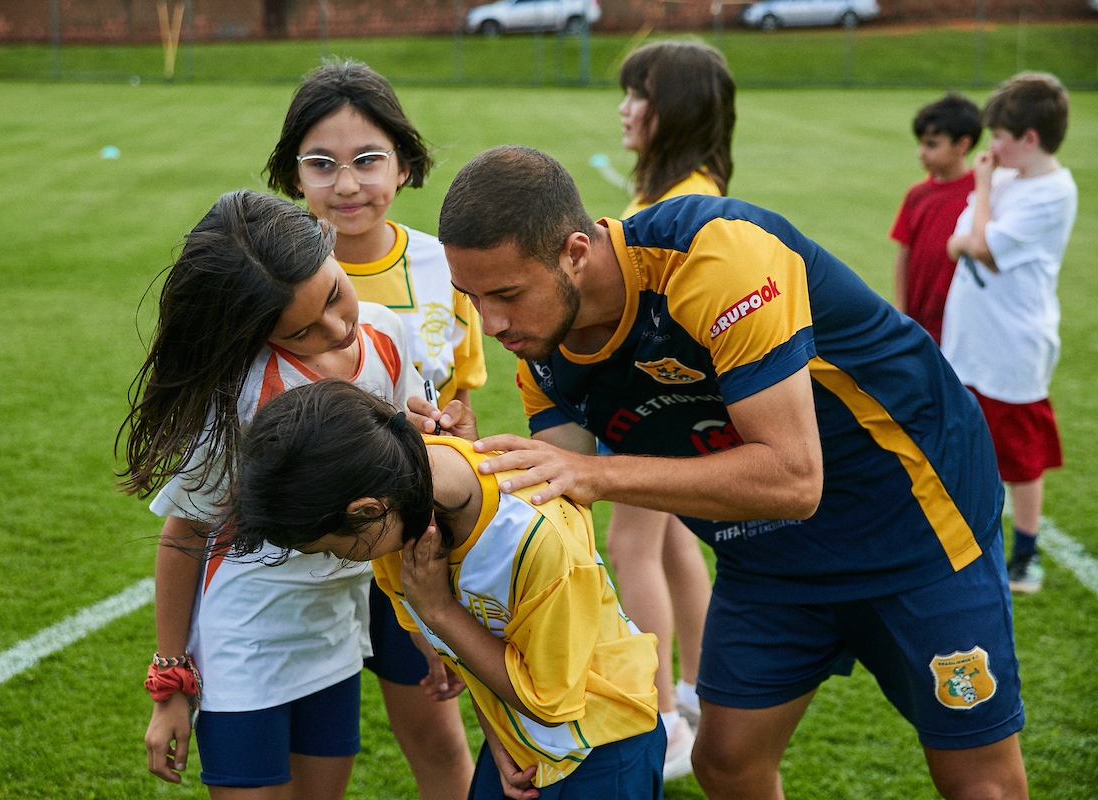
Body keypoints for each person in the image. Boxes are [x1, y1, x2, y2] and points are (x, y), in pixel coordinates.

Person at [437, 145, 1029, 800]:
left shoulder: (717, 256)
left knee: (980, 783)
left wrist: (594, 473)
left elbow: (794, 479)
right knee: (727, 762)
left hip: (915, 526)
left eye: (507, 294)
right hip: (767, 553)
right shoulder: (542, 360)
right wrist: (461, 469)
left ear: (575, 252)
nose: (491, 323)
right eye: (473, 298)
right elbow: (546, 514)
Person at [118, 190, 467, 800]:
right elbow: (185, 535)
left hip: (337, 628)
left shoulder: (388, 335)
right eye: (301, 330)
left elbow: (406, 485)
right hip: (248, 637)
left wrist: (440, 437)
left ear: (332, 251)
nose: (337, 328)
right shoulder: (243, 394)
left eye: (334, 295)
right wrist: (170, 680)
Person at [225, 379, 665, 800]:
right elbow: (467, 654)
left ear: (366, 511)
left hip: (605, 747)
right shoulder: (399, 508)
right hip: (520, 746)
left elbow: (551, 700)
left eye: (330, 550)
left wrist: (438, 609)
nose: (339, 559)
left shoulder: (536, 538)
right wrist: (499, 735)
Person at [264, 59, 481, 798]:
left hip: (409, 544)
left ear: (405, 164)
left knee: (436, 733)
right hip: (301, 559)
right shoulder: (265, 274)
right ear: (292, 175)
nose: (346, 185)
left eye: (367, 161)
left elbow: (457, 400)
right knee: (307, 750)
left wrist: (451, 422)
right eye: (320, 164)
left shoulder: (442, 263)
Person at [608, 39, 734, 778]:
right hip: (670, 398)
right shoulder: (678, 187)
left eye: (640, 94)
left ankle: (664, 724)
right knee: (675, 543)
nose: (626, 108)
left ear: (676, 109)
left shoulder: (683, 202)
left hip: (659, 397)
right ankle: (699, 697)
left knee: (632, 545)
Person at [943, 72, 1077, 595]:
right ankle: (972, 536)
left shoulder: (1052, 192)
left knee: (1019, 456)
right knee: (964, 435)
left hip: (1013, 344)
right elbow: (962, 235)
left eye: (999, 136)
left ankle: (1026, 555)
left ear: (1030, 139)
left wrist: (978, 194)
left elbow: (979, 248)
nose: (990, 147)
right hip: (971, 336)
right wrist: (974, 223)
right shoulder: (1005, 179)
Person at [889, 92, 982, 344]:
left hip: (958, 316)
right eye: (920, 143)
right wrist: (900, 306)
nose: (921, 152)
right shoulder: (917, 194)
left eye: (932, 144)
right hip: (918, 312)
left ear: (963, 144)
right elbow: (903, 252)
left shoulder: (981, 193)